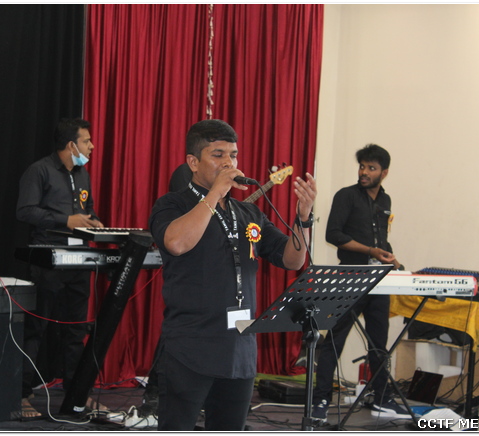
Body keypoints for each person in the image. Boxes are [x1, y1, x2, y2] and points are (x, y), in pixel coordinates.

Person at [148, 119, 317, 430]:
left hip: (239, 348)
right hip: (191, 346)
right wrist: (215, 193)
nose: (229, 163)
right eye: (218, 155)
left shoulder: (248, 213)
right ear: (193, 162)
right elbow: (176, 243)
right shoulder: (172, 204)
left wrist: (302, 218)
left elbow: (292, 259)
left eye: (234, 155)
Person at [311, 143, 408, 423]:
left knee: (379, 342)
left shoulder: (385, 200)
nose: (364, 172)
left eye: (371, 168)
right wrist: (370, 251)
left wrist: (391, 258)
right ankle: (320, 400)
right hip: (350, 277)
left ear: (384, 173)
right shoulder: (346, 196)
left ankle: (381, 397)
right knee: (335, 340)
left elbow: (381, 240)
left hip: (379, 280)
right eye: (362, 166)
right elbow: (333, 235)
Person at [16, 118, 104, 419]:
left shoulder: (82, 173)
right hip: (48, 259)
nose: (91, 146)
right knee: (36, 329)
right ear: (71, 145)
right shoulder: (39, 170)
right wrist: (65, 221)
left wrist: (94, 222)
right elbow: (25, 211)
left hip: (79, 260)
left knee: (76, 329)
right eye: (86, 141)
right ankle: (21, 394)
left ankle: (75, 394)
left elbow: (87, 208)